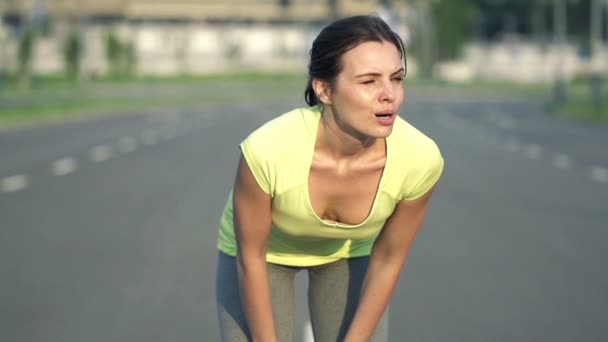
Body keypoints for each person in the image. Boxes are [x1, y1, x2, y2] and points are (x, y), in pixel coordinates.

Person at [215, 14, 444, 342]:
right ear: (324, 89)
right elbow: (250, 257)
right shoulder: (267, 150)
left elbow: (389, 259)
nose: (389, 94)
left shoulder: (419, 160)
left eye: (397, 78)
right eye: (369, 81)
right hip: (262, 258)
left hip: (348, 254)